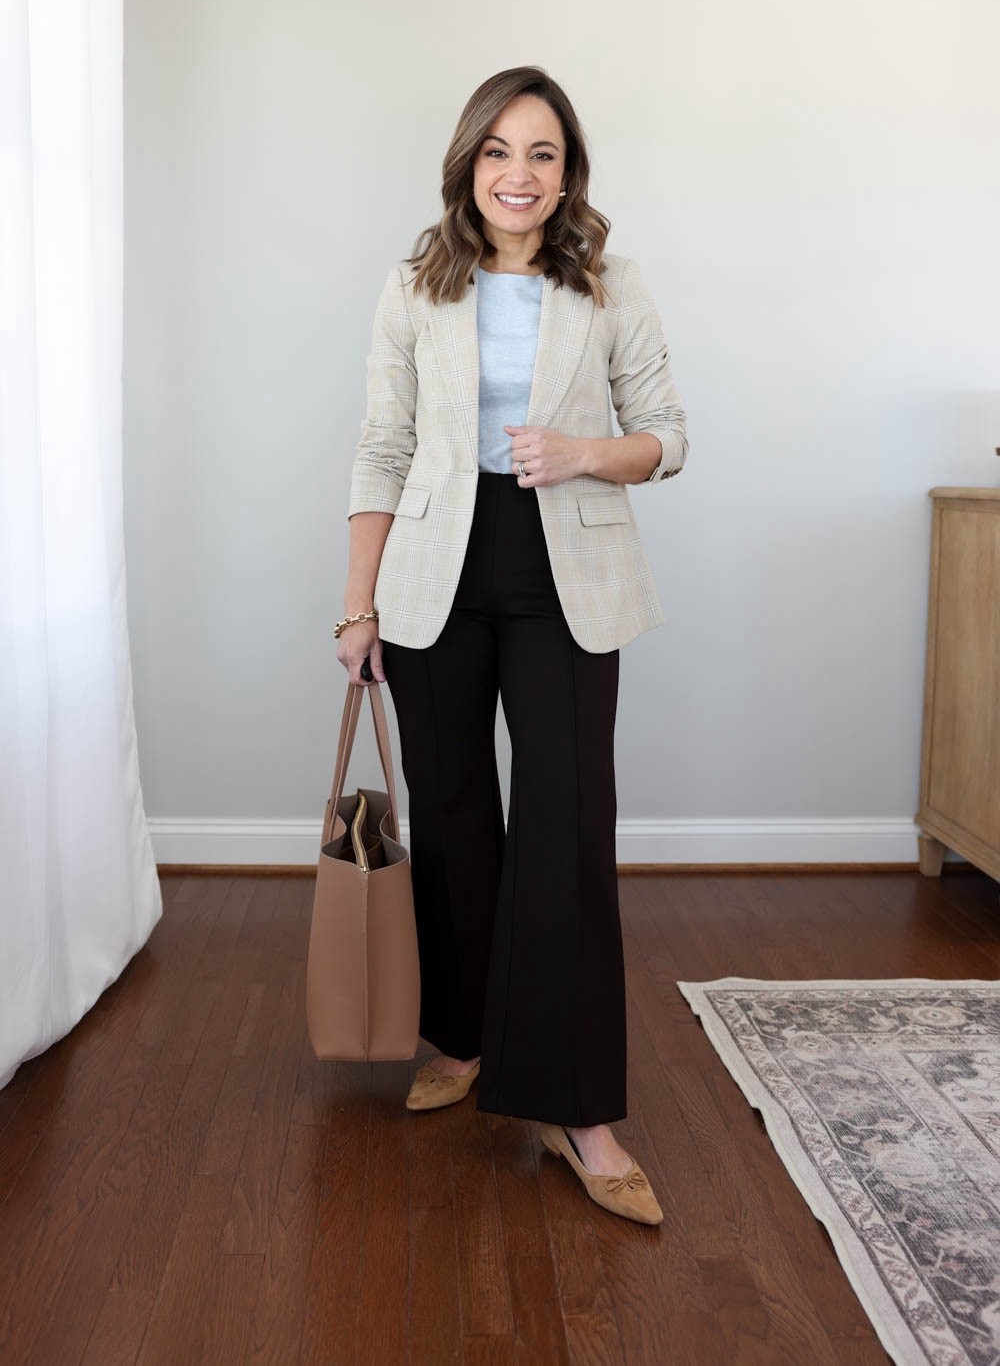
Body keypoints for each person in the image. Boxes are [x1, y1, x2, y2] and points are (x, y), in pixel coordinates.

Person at [336, 65, 688, 1226]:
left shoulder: (611, 286)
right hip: (436, 573)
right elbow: (382, 447)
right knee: (448, 817)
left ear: (565, 171)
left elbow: (667, 438)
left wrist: (583, 452)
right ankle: (464, 1039)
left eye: (540, 153)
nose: (518, 175)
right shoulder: (414, 286)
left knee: (568, 824)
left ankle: (580, 1110)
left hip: (565, 573)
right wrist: (357, 605)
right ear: (467, 165)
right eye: (497, 151)